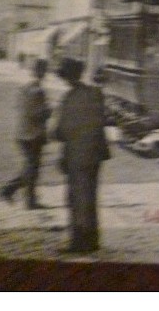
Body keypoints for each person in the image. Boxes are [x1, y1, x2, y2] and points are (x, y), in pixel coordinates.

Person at [53, 57, 111, 254]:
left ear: (67, 78)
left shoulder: (68, 99)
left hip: (76, 156)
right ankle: (93, 240)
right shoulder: (95, 93)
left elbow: (59, 132)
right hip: (95, 155)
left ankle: (78, 243)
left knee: (76, 198)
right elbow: (103, 120)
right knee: (90, 196)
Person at [0, 58, 51, 209]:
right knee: (32, 169)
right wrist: (49, 111)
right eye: (44, 70)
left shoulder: (24, 87)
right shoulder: (38, 90)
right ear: (42, 71)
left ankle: (13, 192)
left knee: (30, 167)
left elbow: (19, 107)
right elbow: (37, 114)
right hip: (33, 135)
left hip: (22, 133)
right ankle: (25, 199)